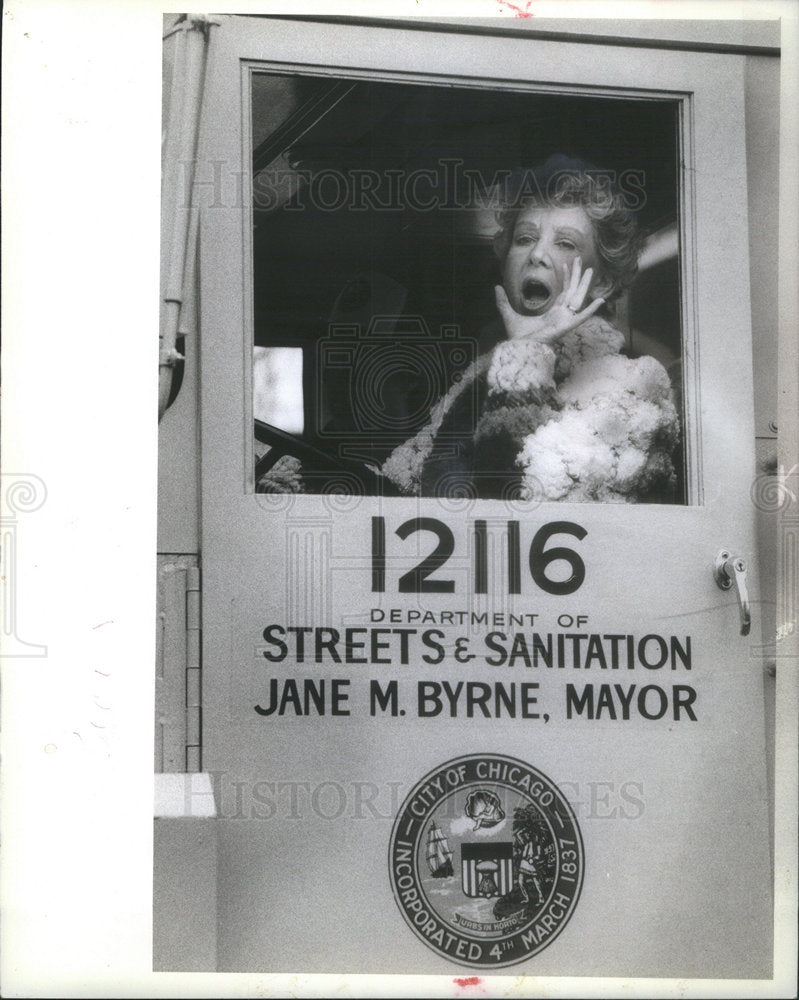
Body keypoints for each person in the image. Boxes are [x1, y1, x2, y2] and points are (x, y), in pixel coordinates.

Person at [382, 159, 680, 503]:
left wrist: (526, 357)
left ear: (602, 280)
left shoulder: (633, 390)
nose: (537, 254)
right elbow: (417, 490)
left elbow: (518, 509)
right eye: (524, 239)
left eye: (565, 243)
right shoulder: (477, 375)